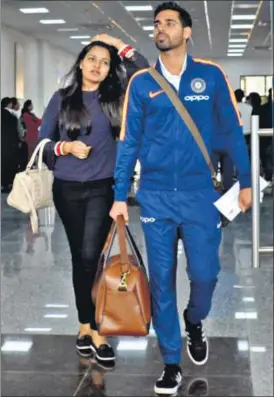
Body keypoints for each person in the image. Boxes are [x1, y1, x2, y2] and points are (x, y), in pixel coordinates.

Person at [110, 2, 252, 395]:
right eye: (157, 24)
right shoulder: (141, 82)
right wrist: (120, 195)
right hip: (155, 196)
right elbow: (128, 143)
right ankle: (171, 361)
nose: (161, 29)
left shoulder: (210, 75)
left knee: (205, 275)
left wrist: (243, 182)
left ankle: (195, 320)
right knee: (161, 284)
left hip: (199, 196)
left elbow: (229, 131)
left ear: (187, 32)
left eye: (170, 23)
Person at [38, 34, 149, 365]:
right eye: (92, 59)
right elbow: (42, 143)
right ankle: (84, 324)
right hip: (67, 189)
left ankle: (99, 328)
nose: (97, 65)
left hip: (103, 188)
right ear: (80, 63)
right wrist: (66, 147)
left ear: (110, 68)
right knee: (79, 258)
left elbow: (142, 67)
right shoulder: (61, 99)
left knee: (91, 255)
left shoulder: (115, 98)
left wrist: (111, 41)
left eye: (105, 61)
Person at [1, 97, 20, 192]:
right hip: (10, 143)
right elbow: (18, 131)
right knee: (9, 164)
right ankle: (8, 184)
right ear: (9, 104)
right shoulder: (12, 116)